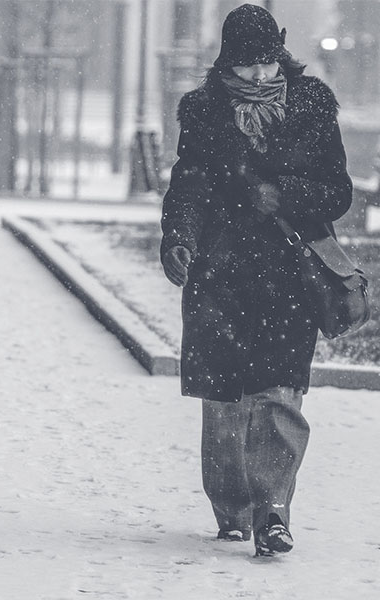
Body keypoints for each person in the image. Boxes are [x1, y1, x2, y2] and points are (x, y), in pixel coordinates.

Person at [160, 4, 352, 557]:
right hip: (220, 274)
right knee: (222, 403)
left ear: (281, 53)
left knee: (278, 397)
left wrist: (282, 194)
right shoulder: (203, 112)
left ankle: (273, 512)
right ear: (227, 61)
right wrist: (178, 240)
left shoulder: (313, 105)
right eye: (246, 66)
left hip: (289, 274)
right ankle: (232, 508)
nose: (259, 76)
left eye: (268, 62)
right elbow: (188, 185)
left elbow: (336, 191)